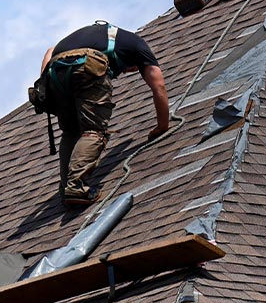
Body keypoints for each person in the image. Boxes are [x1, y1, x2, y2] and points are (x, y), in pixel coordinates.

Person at [40, 21, 169, 205]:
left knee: (71, 132)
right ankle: (75, 187)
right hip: (84, 64)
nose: (124, 72)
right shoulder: (138, 45)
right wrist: (162, 126)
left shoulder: (98, 36)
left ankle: (66, 189)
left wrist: (45, 82)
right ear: (136, 62)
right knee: (94, 130)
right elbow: (159, 85)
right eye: (131, 69)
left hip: (55, 71)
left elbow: (51, 50)